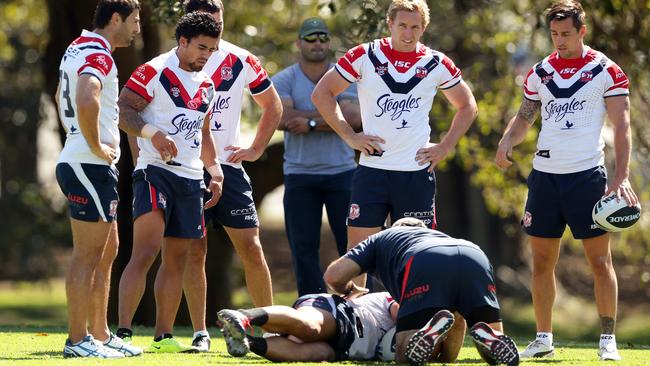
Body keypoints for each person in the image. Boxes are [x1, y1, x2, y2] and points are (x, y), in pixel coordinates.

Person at [494, 1, 638, 361]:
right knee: (541, 263)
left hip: (587, 178)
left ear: (582, 31)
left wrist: (621, 177)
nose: (559, 40)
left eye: (566, 34)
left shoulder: (606, 70)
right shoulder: (540, 72)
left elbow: (622, 125)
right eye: (555, 34)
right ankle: (543, 338)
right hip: (545, 178)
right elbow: (525, 118)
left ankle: (607, 340)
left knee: (599, 261)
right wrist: (508, 139)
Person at [311, 0, 478, 279]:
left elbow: (467, 105)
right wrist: (350, 135)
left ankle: (412, 319)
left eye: (415, 27)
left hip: (415, 173)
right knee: (357, 255)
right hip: (373, 172)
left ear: (423, 29)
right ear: (390, 24)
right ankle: (357, 319)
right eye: (402, 25)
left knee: (418, 256)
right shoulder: (364, 55)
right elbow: (322, 93)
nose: (408, 33)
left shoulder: (436, 62)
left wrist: (445, 146)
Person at [115, 11, 224, 353]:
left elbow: (202, 130)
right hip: (154, 171)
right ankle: (122, 334)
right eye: (201, 47)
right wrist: (153, 134)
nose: (206, 55)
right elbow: (122, 110)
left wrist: (215, 169)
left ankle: (163, 337)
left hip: (191, 178)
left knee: (176, 260)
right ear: (183, 42)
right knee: (145, 251)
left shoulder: (207, 83)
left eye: (212, 49)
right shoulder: (154, 70)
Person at [179, 0, 282, 351]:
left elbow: (273, 105)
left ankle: (268, 328)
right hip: (188, 170)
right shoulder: (174, 60)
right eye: (207, 21)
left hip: (230, 169)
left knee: (252, 249)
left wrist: (255, 149)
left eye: (218, 21)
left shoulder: (242, 59)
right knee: (195, 251)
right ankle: (199, 333)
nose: (214, 27)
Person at [55, 0, 142, 358]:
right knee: (87, 256)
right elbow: (85, 97)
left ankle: (101, 335)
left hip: (84, 161)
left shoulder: (79, 47)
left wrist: (79, 138)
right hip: (88, 164)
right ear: (116, 19)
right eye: (135, 20)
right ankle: (78, 342)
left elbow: (64, 97)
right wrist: (93, 143)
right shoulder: (99, 55)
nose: (137, 28)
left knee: (108, 250)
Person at [323, 218, 520, 365]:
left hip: (424, 259)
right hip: (474, 255)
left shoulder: (381, 238)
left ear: (395, 229)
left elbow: (333, 276)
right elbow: (457, 322)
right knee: (490, 348)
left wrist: (349, 289)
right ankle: (489, 338)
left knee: (403, 355)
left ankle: (428, 334)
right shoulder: (438, 235)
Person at [272, 17, 362, 296]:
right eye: (310, 38)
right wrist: (330, 115)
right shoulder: (285, 79)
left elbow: (354, 118)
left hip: (342, 174)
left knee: (353, 244)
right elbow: (281, 118)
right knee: (302, 246)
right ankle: (312, 305)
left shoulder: (343, 77)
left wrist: (309, 123)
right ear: (299, 42)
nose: (317, 43)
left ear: (329, 42)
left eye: (322, 37)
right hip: (300, 175)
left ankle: (357, 305)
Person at [216, 292, 397, 362]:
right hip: (343, 315)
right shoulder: (394, 295)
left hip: (351, 348)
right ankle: (243, 316)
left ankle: (245, 342)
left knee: (320, 353)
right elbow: (400, 311)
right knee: (310, 328)